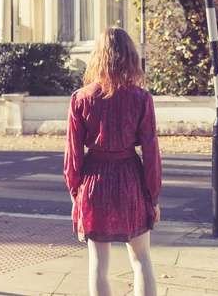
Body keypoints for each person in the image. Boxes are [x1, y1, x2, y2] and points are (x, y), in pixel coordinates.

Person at [63, 27, 162, 296]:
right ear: (130, 57)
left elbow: (73, 154)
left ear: (98, 57)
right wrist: (152, 198)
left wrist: (75, 193)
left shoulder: (81, 99)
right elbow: (151, 151)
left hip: (93, 181)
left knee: (98, 263)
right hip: (130, 179)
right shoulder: (141, 98)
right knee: (141, 261)